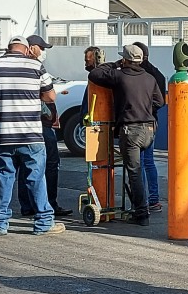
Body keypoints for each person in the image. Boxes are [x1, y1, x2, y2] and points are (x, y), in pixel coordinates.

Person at [0, 36, 64, 236]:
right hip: (30, 134)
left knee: (5, 177)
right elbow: (51, 96)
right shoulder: (35, 66)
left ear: (8, 48)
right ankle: (44, 222)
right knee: (35, 177)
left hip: (3, 134)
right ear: (26, 49)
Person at [88, 44, 164, 226]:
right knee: (145, 165)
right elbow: (159, 101)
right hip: (149, 130)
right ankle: (144, 205)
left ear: (126, 59)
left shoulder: (120, 75)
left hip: (130, 130)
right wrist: (144, 109)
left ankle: (141, 213)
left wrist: (114, 64)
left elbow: (95, 74)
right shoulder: (149, 78)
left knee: (135, 173)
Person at [16, 34, 72, 218]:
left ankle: (28, 206)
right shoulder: (33, 67)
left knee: (26, 166)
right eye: (42, 48)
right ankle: (48, 204)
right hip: (39, 125)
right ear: (32, 48)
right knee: (49, 164)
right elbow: (44, 96)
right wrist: (48, 113)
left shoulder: (22, 67)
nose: (44, 52)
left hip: (29, 126)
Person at [134, 41, 166, 212]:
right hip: (152, 122)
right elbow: (160, 102)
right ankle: (153, 199)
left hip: (135, 123)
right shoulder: (158, 75)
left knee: (136, 163)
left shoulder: (134, 74)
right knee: (149, 162)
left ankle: (142, 201)